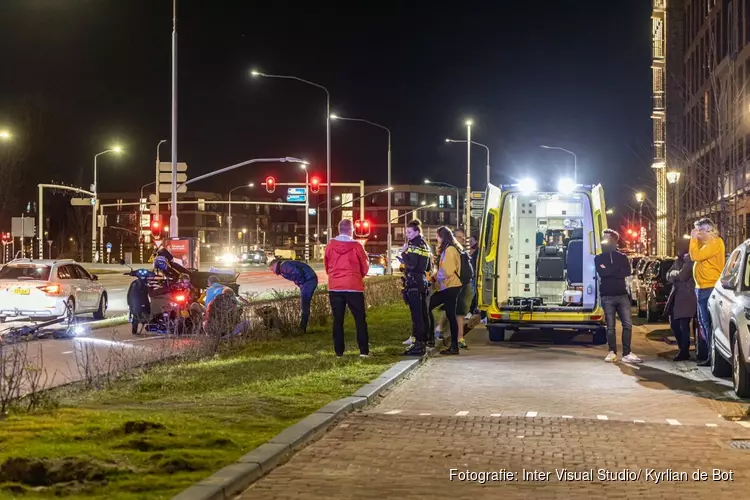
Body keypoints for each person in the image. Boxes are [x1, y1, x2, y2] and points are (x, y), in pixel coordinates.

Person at [324, 219, 370, 358]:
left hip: (335, 287)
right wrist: (357, 276)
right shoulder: (357, 246)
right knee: (359, 319)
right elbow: (365, 266)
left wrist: (334, 276)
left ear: (339, 229)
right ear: (351, 230)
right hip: (354, 287)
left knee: (338, 320)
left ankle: (339, 352)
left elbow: (327, 264)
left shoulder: (330, 245)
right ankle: (363, 351)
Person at [595, 229, 641, 363]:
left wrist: (609, 269)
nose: (605, 240)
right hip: (607, 296)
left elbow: (626, 271)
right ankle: (612, 351)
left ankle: (627, 353)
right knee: (610, 326)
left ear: (614, 241)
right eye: (604, 238)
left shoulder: (622, 257)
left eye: (607, 238)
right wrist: (616, 270)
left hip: (621, 295)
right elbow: (602, 273)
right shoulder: (599, 258)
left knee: (627, 324)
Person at [689, 217, 725, 366]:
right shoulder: (706, 244)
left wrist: (693, 240)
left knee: (708, 324)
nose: (697, 234)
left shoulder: (715, 242)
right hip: (702, 288)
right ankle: (710, 356)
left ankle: (713, 358)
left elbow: (695, 256)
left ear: (708, 230)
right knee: (704, 324)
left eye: (699, 230)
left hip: (709, 288)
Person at [428, 226, 464, 355]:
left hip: (451, 286)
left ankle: (434, 339)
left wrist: (434, 277)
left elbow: (447, 271)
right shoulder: (450, 249)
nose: (436, 239)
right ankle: (453, 345)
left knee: (430, 305)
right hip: (451, 286)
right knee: (450, 314)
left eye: (438, 236)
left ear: (442, 237)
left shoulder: (449, 250)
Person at [400, 219, 433, 356]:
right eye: (406, 232)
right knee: (423, 314)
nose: (407, 235)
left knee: (417, 315)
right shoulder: (425, 245)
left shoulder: (413, 245)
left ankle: (418, 344)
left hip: (413, 281)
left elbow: (412, 265)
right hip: (422, 281)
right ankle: (424, 341)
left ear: (417, 232)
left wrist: (403, 254)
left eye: (409, 232)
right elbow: (428, 267)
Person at [664, 246, 696, 361]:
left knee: (683, 325)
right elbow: (668, 275)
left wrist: (673, 274)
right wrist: (673, 275)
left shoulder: (691, 260)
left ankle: (684, 351)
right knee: (674, 324)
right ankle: (682, 349)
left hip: (687, 296)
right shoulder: (678, 261)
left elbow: (683, 276)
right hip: (676, 296)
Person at [269, 258, 319, 333]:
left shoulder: (284, 267)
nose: (273, 272)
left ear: (275, 265)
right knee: (305, 305)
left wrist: (301, 284)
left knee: (305, 305)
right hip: (309, 280)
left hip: (308, 281)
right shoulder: (283, 267)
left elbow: (297, 273)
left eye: (272, 269)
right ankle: (302, 327)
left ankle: (302, 328)